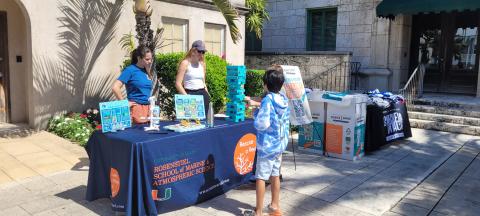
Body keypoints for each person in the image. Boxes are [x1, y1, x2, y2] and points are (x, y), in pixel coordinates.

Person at [244, 65, 290, 216]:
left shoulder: (267, 101)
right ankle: (274, 206)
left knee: (261, 177)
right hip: (279, 145)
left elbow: (262, 124)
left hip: (267, 146)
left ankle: (258, 211)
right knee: (275, 174)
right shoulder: (283, 99)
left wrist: (255, 113)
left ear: (266, 84)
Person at [112, 45, 153, 124]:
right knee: (137, 134)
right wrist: (124, 103)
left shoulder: (146, 70)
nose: (150, 61)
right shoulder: (130, 70)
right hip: (136, 108)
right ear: (139, 58)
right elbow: (115, 87)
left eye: (151, 59)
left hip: (148, 107)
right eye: (147, 59)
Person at [175, 40, 210, 114]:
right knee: (191, 122)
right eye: (199, 51)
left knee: (204, 122)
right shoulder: (185, 63)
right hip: (190, 93)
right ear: (193, 51)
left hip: (203, 94)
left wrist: (208, 95)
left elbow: (203, 82)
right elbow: (178, 83)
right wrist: (187, 98)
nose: (201, 54)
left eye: (203, 52)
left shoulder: (202, 64)